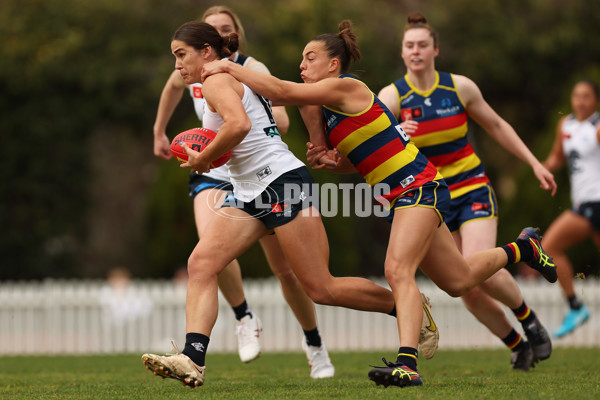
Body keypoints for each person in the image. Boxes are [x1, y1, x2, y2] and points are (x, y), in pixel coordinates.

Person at [199, 20, 557, 388]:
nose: (302, 66)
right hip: (399, 195)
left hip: (418, 185)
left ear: (333, 65)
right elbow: (357, 163)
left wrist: (227, 65)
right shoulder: (331, 114)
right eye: (301, 60)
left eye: (310, 58)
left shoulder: (347, 87)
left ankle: (407, 364)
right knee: (459, 280)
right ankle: (523, 248)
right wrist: (333, 164)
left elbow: (279, 90)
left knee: (397, 269)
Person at [152, 5, 334, 378]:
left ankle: (402, 307)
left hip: (279, 181)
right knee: (202, 263)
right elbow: (177, 90)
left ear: (209, 49)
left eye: (180, 55)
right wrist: (163, 133)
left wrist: (205, 155)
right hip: (246, 186)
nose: (176, 66)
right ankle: (195, 356)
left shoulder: (223, 76)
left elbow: (240, 124)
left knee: (319, 287)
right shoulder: (204, 77)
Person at [376, 12, 557, 371]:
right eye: (409, 46)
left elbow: (496, 124)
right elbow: (376, 145)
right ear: (402, 52)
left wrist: (535, 163)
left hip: (470, 186)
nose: (416, 51)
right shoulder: (392, 97)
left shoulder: (459, 87)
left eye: (422, 45)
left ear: (435, 49)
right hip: (430, 197)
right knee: (465, 286)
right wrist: (397, 132)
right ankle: (517, 343)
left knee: (478, 261)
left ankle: (528, 318)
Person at [541, 79, 599, 338]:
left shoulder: (597, 127)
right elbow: (556, 156)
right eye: (576, 96)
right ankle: (576, 307)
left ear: (595, 100)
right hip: (583, 203)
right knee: (550, 247)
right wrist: (542, 168)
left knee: (550, 246)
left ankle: (576, 308)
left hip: (595, 203)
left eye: (586, 96)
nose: (580, 101)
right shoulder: (566, 125)